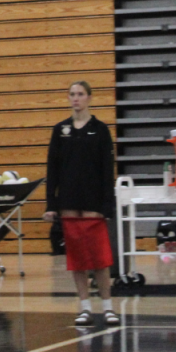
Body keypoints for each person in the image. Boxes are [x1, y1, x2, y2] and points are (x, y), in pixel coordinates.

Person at [43, 81, 118, 327]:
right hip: (68, 200)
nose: (76, 99)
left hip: (93, 200)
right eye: (72, 94)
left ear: (89, 98)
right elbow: (52, 169)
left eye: (81, 94)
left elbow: (108, 171)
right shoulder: (60, 130)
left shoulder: (100, 129)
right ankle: (85, 307)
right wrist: (50, 204)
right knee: (77, 258)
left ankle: (108, 307)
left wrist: (108, 203)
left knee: (99, 257)